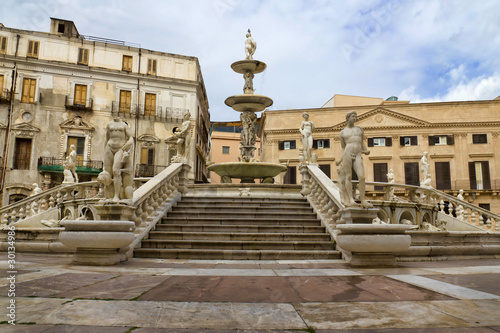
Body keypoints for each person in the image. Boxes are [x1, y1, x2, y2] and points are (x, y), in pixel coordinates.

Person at [337, 111, 372, 208]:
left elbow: (361, 142)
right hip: (347, 153)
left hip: (358, 154)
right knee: (348, 176)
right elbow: (343, 148)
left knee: (362, 177)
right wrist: (340, 159)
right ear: (348, 118)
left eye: (356, 117)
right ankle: (351, 199)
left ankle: (363, 200)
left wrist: (365, 150)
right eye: (353, 116)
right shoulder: (342, 133)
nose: (355, 118)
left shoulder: (360, 130)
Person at [103, 118, 134, 202]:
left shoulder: (124, 125)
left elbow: (131, 137)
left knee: (116, 171)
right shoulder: (109, 124)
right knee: (107, 173)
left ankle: (116, 196)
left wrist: (128, 144)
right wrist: (104, 151)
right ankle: (107, 196)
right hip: (109, 147)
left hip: (120, 148)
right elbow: (106, 138)